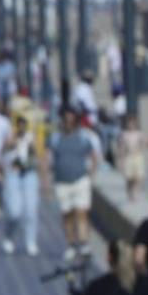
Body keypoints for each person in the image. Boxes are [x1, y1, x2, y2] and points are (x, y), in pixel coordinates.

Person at [50, 104, 102, 257]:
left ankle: (84, 243)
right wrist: (46, 179)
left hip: (80, 179)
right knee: (67, 214)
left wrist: (91, 175)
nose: (67, 123)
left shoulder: (83, 136)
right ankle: (71, 244)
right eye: (65, 120)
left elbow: (94, 155)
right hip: (61, 180)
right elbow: (48, 157)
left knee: (81, 212)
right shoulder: (55, 137)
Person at [0, 110, 40, 256]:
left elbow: (38, 156)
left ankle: (31, 240)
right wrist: (12, 144)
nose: (22, 127)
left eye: (24, 124)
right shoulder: (10, 137)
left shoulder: (31, 138)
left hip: (29, 174)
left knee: (30, 210)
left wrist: (31, 145)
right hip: (14, 174)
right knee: (14, 211)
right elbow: (2, 154)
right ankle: (9, 236)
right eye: (20, 124)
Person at [115, 111, 148, 202]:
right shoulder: (124, 135)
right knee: (129, 178)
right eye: (130, 122)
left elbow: (146, 142)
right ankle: (129, 192)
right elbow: (121, 149)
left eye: (133, 122)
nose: (131, 124)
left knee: (138, 177)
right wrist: (119, 161)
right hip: (128, 157)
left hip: (138, 157)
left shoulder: (139, 133)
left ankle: (135, 193)